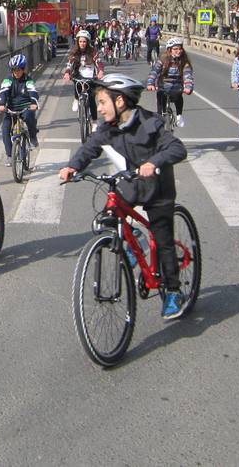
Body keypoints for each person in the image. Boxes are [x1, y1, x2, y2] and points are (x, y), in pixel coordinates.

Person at [58, 73, 189, 320]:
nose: (99, 108)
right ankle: (133, 239)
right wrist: (72, 166)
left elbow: (177, 148)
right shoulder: (108, 128)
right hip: (130, 186)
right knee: (107, 216)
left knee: (163, 239)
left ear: (119, 102)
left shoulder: (151, 123)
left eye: (102, 102)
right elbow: (89, 148)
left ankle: (173, 291)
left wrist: (154, 162)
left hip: (157, 189)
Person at [146, 37, 194, 128]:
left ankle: (179, 116)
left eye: (180, 49)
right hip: (163, 86)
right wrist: (150, 84)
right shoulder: (163, 59)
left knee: (178, 96)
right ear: (169, 50)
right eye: (175, 49)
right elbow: (154, 72)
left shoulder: (184, 62)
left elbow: (188, 76)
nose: (178, 51)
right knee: (160, 99)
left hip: (176, 86)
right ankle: (160, 117)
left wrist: (188, 87)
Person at [0, 52, 39, 156]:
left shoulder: (28, 80)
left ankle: (33, 136)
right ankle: (10, 155)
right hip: (11, 109)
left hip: (26, 108)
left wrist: (33, 103)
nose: (16, 72)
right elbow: (3, 91)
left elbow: (33, 91)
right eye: (14, 70)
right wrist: (2, 103)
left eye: (19, 69)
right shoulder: (8, 80)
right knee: (5, 130)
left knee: (30, 118)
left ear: (23, 69)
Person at [63, 28, 105, 120]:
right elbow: (69, 64)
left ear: (88, 42)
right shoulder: (74, 51)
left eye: (84, 41)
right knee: (76, 81)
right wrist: (67, 73)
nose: (82, 43)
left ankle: (94, 123)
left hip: (91, 76)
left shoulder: (93, 51)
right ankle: (76, 98)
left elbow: (99, 62)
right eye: (80, 41)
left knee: (91, 99)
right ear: (78, 42)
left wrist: (101, 71)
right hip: (78, 75)